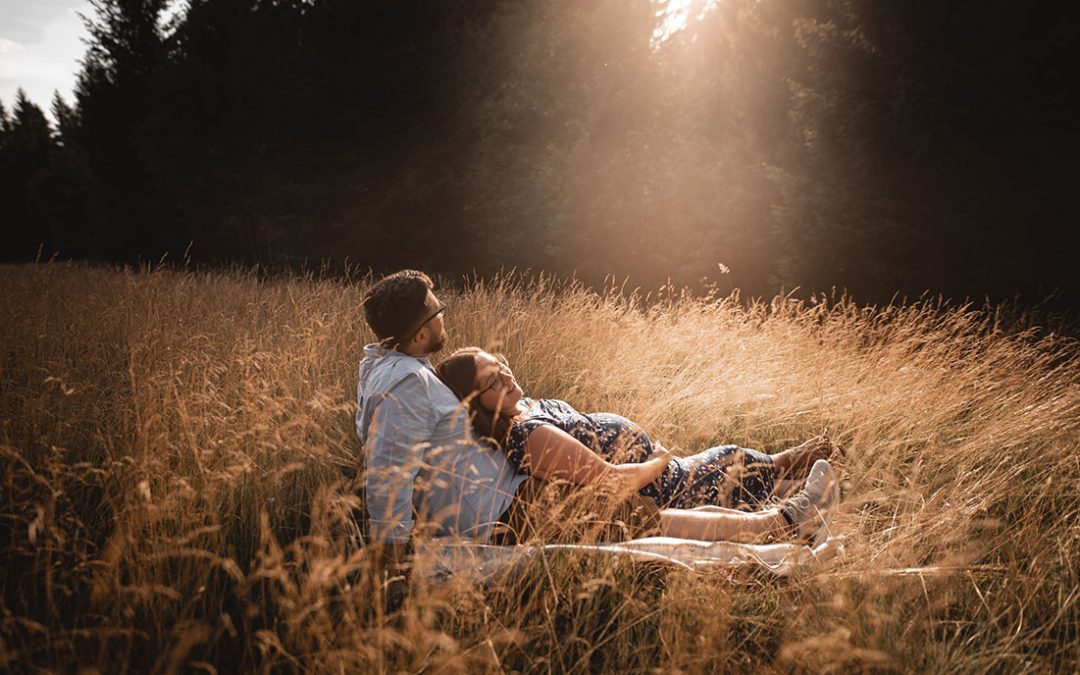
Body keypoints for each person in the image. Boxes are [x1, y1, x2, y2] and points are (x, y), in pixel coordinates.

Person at [355, 271, 667, 564]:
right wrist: (392, 567)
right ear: (421, 335)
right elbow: (390, 476)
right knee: (634, 515)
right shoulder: (406, 383)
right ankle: (712, 540)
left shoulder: (390, 367)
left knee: (633, 509)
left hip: (510, 494)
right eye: (439, 313)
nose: (444, 317)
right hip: (504, 510)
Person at [436, 347, 842, 544]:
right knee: (743, 470)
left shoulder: (525, 407)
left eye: (500, 364)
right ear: (476, 403)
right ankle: (803, 474)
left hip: (678, 474)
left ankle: (815, 483)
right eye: (492, 381)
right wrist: (661, 458)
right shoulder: (525, 437)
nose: (506, 377)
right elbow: (611, 481)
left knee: (761, 477)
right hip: (668, 487)